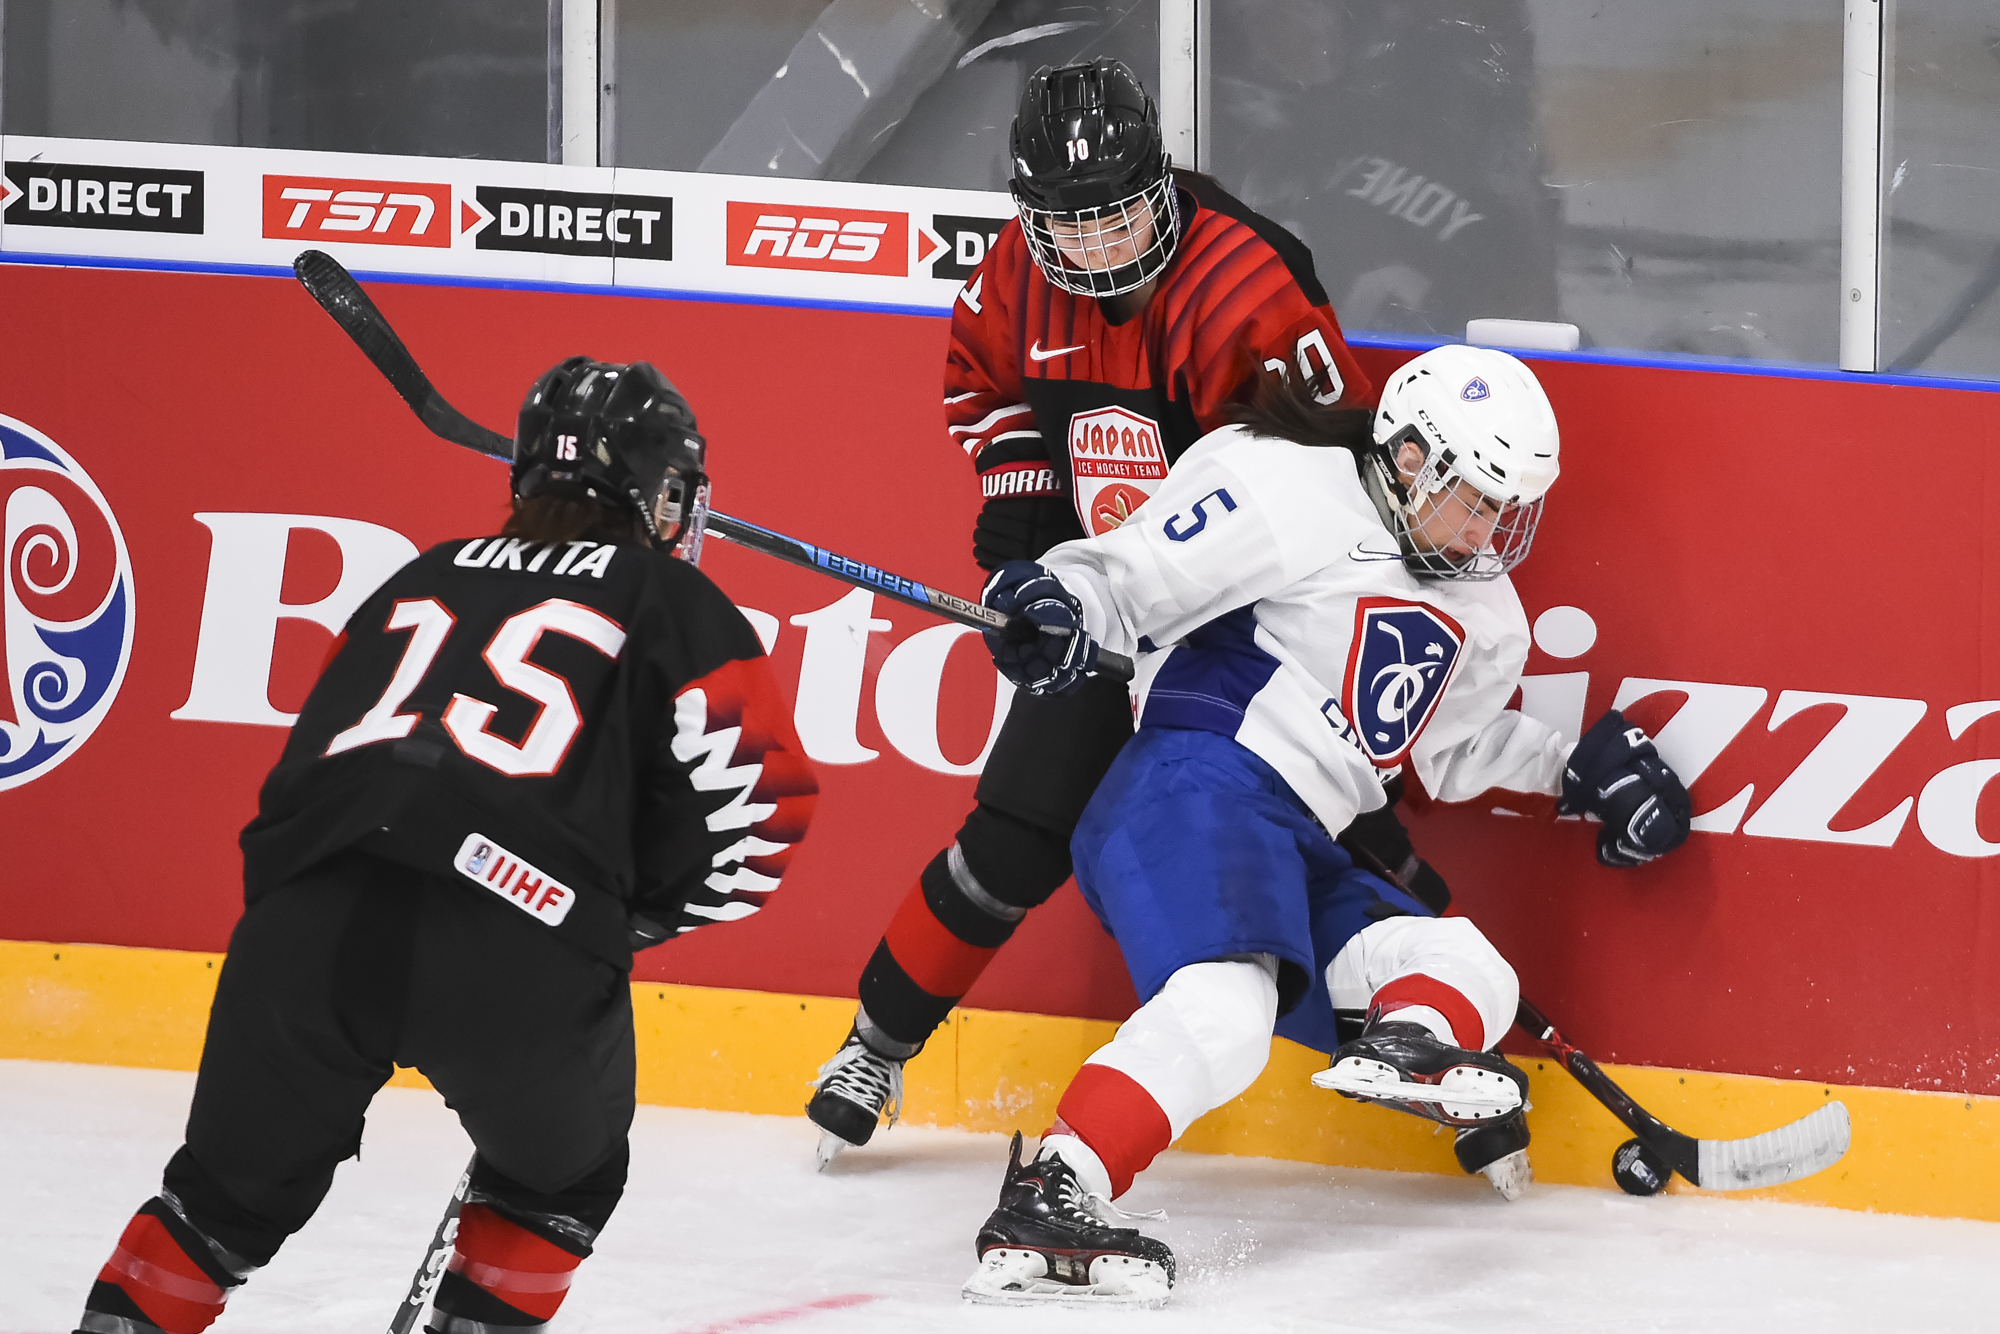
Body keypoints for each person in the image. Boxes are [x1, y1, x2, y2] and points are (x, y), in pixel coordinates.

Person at [809, 56, 1482, 1168]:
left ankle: (1431, 1062)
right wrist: (1026, 560)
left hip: (1243, 627)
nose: (1098, 248)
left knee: (1352, 847)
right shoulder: (1008, 280)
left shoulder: (1246, 285)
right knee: (1010, 843)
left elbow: (1330, 484)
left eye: (1118, 215)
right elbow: (985, 396)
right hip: (1106, 610)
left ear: (1159, 184)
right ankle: (875, 1042)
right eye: (1068, 224)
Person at [69, 358, 818, 1334]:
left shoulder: (415, 576)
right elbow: (766, 810)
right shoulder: (671, 600)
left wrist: (302, 900)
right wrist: (623, 914)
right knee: (561, 1184)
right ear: (654, 492)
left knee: (217, 1204)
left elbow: (304, 771)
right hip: (515, 946)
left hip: (307, 921)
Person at [960, 345, 1692, 1304]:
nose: (1490, 532)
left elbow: (1444, 753)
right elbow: (1135, 575)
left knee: (1474, 970)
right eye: (1476, 497)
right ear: (1412, 456)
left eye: (1510, 510)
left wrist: (1573, 765)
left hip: (1301, 834)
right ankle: (1056, 1190)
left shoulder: (1487, 617)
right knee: (1229, 1010)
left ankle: (1403, 1044)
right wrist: (1063, 597)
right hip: (1196, 783)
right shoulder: (1283, 480)